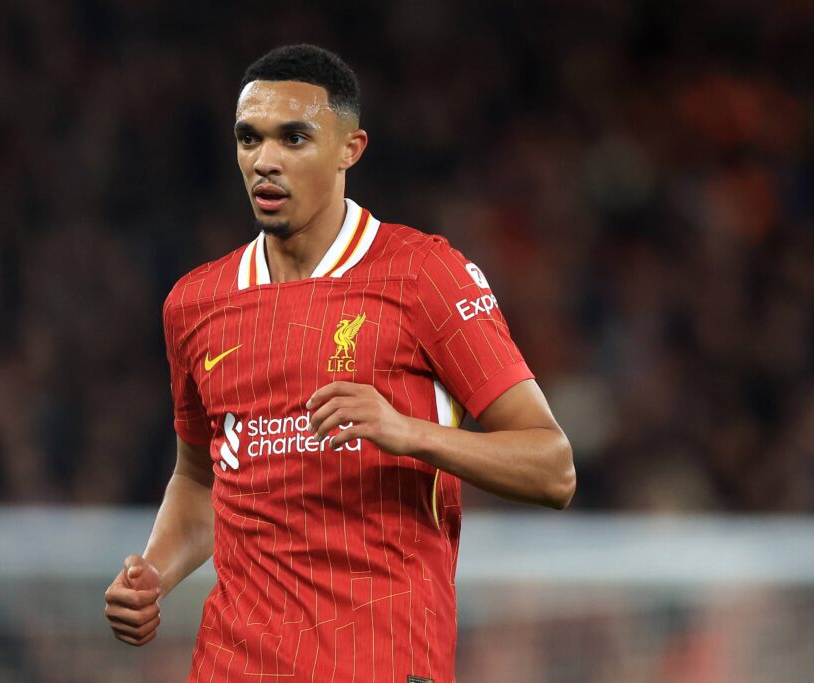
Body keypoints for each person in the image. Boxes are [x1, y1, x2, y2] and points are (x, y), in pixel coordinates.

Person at [104, 44, 575, 683]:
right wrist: (152, 574)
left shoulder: (425, 276)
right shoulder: (195, 303)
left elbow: (553, 468)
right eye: (249, 138)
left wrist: (406, 433)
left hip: (382, 663)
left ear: (350, 149)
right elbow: (201, 480)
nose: (264, 161)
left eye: (294, 138)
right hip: (232, 666)